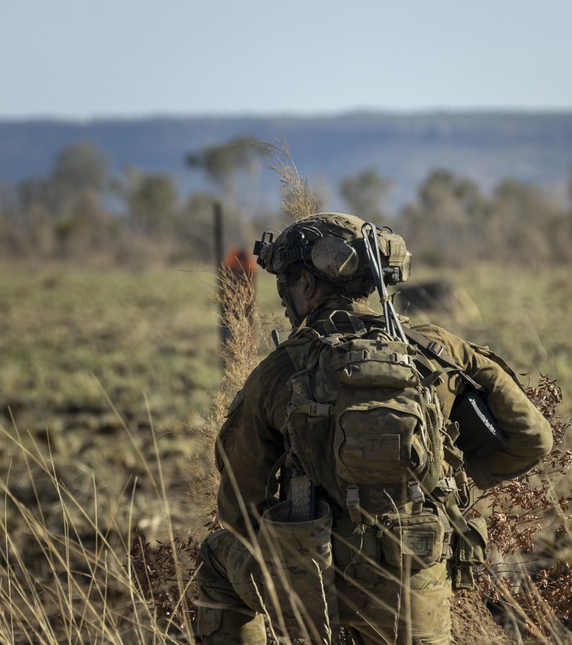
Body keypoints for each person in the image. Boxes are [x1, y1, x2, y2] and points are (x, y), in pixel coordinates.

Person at [195, 212, 553, 644]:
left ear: (306, 285)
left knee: (216, 557)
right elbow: (533, 439)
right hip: (415, 585)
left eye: (288, 282)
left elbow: (238, 509)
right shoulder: (440, 349)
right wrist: (449, 481)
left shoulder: (278, 371)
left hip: (315, 594)